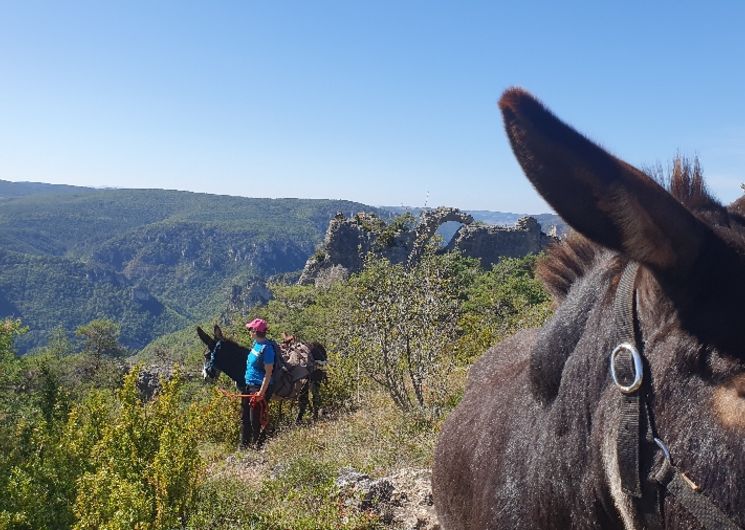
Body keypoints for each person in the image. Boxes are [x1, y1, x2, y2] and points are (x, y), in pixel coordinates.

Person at [241, 318, 275, 449]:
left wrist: (261, 393)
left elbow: (268, 373)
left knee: (256, 419)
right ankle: (257, 444)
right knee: (250, 418)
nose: (249, 331)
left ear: (255, 331)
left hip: (259, 388)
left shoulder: (267, 349)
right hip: (250, 386)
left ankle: (259, 447)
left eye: (250, 329)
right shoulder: (256, 344)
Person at [296, 342, 328, 424]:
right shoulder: (316, 350)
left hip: (313, 370)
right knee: (312, 392)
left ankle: (306, 416)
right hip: (314, 369)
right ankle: (311, 415)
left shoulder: (315, 351)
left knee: (306, 393)